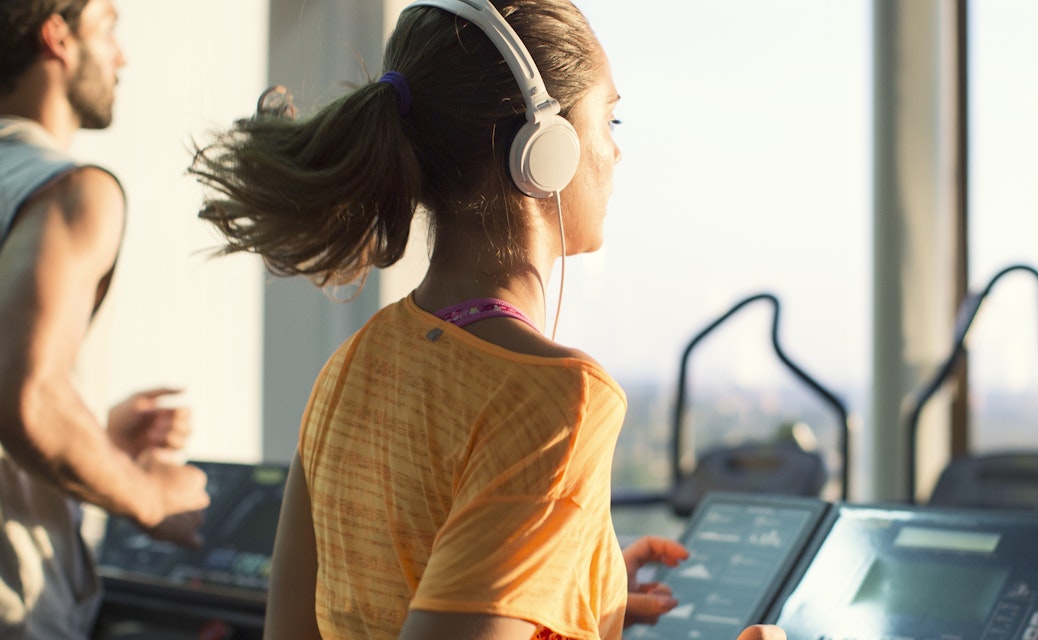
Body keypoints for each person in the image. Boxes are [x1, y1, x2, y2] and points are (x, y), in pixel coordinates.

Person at [189, 1, 786, 638]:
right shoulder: (560, 402)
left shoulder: (348, 370)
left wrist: (584, 589)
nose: (616, 150)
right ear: (544, 147)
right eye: (610, 118)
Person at [0, 0, 210, 636]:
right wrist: (151, 500)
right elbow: (28, 402)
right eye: (109, 27)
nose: (123, 55)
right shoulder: (72, 190)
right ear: (57, 38)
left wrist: (98, 437)